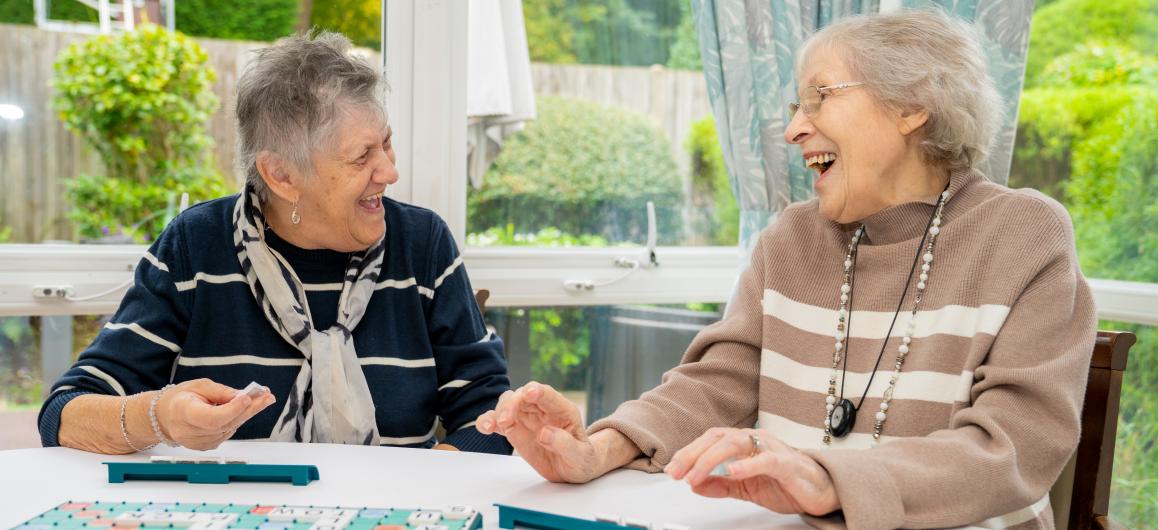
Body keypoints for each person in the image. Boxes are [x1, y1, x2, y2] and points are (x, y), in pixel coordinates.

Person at [477, 9, 1095, 529]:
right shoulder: (793, 237)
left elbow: (1012, 443)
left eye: (818, 97)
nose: (794, 129)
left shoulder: (1024, 235)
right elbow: (719, 381)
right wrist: (596, 450)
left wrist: (827, 476)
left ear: (913, 105)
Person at [38, 31, 511, 456]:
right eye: (362, 156)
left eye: (385, 144)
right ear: (281, 175)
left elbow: (491, 412)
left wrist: (414, 489)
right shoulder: (194, 247)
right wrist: (158, 417)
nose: (390, 171)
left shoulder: (423, 245)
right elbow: (64, 411)